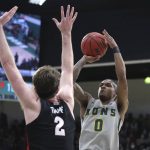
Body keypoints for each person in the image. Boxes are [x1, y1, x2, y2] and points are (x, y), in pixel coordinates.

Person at [0, 5, 78, 150]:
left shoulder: (33, 104)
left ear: (34, 88)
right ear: (57, 88)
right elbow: (68, 69)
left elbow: (8, 64)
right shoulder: (67, 100)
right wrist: (66, 34)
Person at [73, 29, 128, 150]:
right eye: (101, 85)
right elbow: (67, 81)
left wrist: (114, 47)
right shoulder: (88, 102)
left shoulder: (119, 106)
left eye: (108, 85)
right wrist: (83, 60)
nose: (103, 86)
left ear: (115, 94)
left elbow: (122, 78)